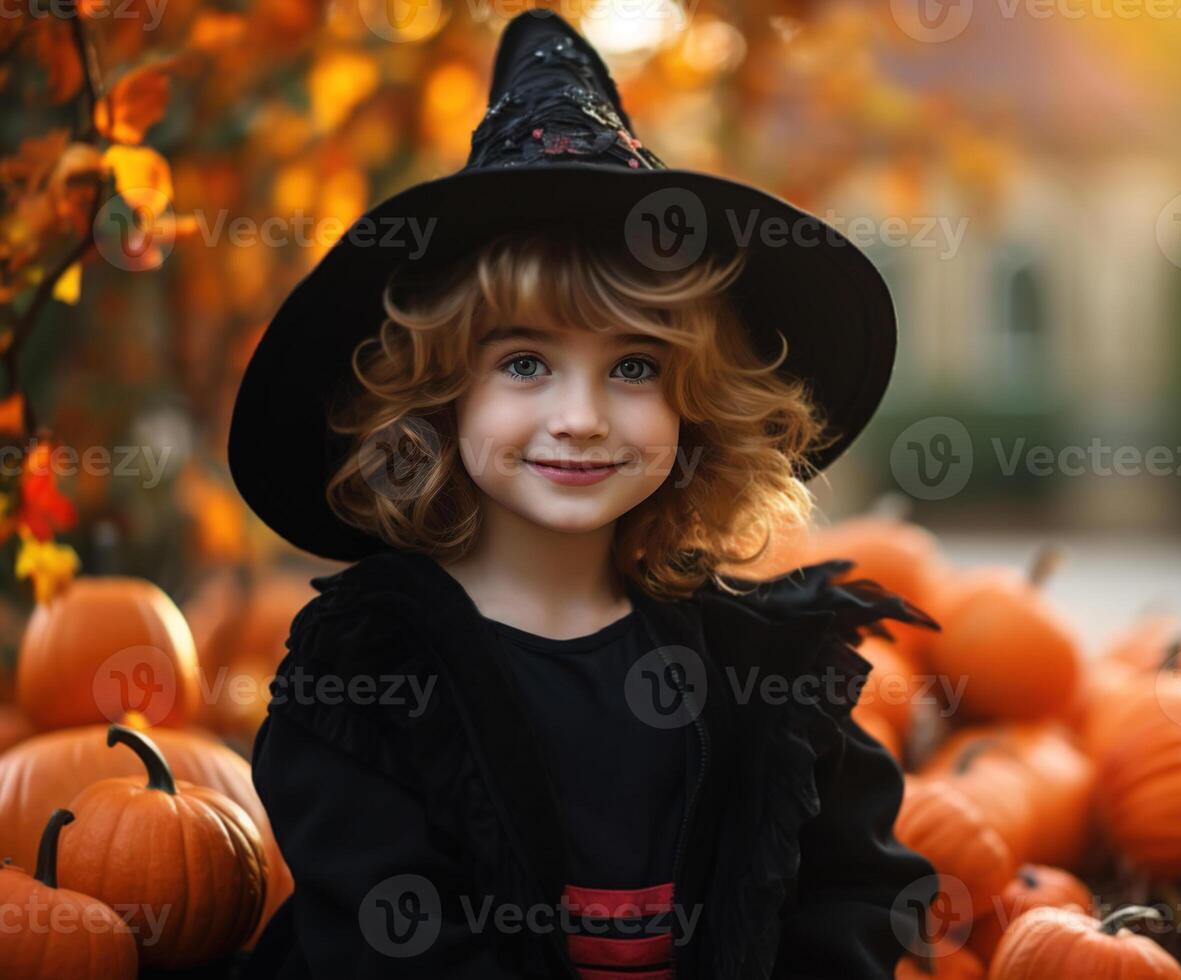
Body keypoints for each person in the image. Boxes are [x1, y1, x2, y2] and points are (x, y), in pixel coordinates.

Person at [229, 9, 940, 978]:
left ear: (698, 405)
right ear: (441, 396)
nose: (582, 416)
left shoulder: (762, 674)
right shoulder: (368, 683)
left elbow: (854, 895)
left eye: (636, 369)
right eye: (525, 362)